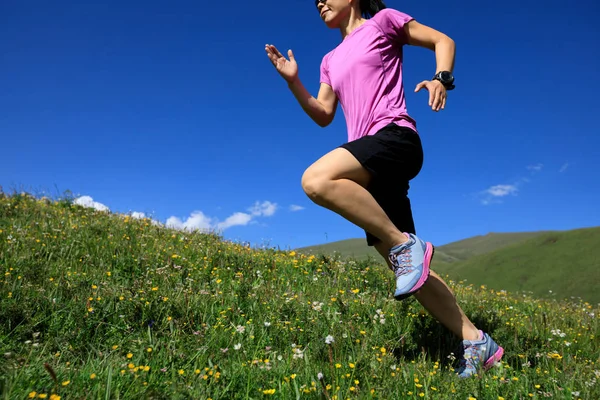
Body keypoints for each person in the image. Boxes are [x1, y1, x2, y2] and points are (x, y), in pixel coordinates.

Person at [265, 0, 503, 378]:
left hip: (394, 139)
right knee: (408, 270)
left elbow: (444, 40)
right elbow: (324, 115)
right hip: (369, 164)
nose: (320, 2)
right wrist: (294, 81)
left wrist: (441, 78)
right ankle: (476, 341)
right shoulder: (329, 60)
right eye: (315, 2)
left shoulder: (384, 23)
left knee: (316, 180)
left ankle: (405, 244)